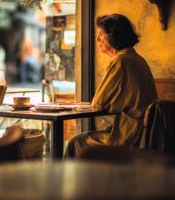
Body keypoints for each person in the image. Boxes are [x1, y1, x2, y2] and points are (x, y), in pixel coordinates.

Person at [64, 14, 158, 158]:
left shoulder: (120, 62)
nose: (97, 39)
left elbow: (98, 104)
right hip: (145, 135)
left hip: (128, 138)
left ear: (113, 36)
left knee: (75, 143)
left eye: (101, 33)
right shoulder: (137, 59)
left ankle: (69, 180)